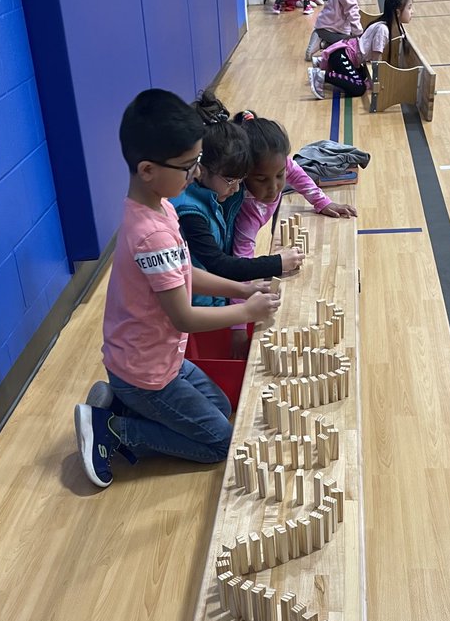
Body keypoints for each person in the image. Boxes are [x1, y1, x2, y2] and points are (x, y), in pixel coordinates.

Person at [74, 89, 280, 488]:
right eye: (188, 166)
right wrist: (246, 312)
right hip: (145, 372)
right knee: (219, 442)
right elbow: (183, 315)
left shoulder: (159, 206)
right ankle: (116, 430)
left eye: (197, 162)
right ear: (148, 169)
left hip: (156, 359)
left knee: (221, 405)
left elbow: (188, 272)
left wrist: (242, 286)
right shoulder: (153, 236)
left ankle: (122, 404)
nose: (195, 173)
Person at [172, 90, 304, 308]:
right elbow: (219, 265)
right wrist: (276, 263)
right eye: (231, 180)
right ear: (201, 170)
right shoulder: (190, 213)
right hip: (200, 310)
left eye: (241, 180)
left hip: (221, 299)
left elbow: (281, 163)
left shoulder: (221, 191)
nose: (237, 190)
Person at [232, 110, 357, 264]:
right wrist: (249, 287)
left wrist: (322, 202)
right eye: (261, 179)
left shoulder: (281, 163)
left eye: (280, 175)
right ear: (243, 175)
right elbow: (242, 257)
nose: (274, 187)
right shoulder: (246, 215)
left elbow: (297, 175)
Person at [308, 0, 413, 99]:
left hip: (344, 55)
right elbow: (376, 60)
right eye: (409, 8)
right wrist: (378, 81)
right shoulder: (383, 29)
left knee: (362, 76)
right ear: (397, 12)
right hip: (341, 55)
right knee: (359, 88)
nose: (412, 11)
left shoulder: (383, 25)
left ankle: (322, 62)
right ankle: (320, 76)